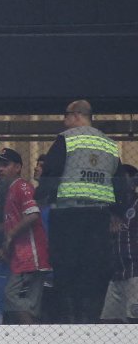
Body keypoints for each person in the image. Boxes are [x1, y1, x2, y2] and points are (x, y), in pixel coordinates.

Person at [36, 99, 124, 323]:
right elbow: (119, 182)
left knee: (66, 265)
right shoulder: (109, 144)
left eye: (65, 115)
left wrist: (41, 197)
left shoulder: (67, 139)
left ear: (76, 115)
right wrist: (117, 213)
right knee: (92, 268)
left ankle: (69, 317)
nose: (64, 121)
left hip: (68, 214)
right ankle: (90, 317)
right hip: (98, 216)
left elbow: (51, 171)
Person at [0, 148, 50, 324]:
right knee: (26, 303)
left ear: (17, 167)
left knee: (12, 295)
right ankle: (32, 337)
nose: (0, 169)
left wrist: (10, 235)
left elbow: (33, 214)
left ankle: (32, 337)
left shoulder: (22, 186)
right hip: (20, 256)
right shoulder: (10, 190)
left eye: (5, 165)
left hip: (30, 256)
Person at [100, 165, 138, 323]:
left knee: (133, 318)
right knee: (109, 321)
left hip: (135, 272)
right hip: (116, 272)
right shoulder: (111, 206)